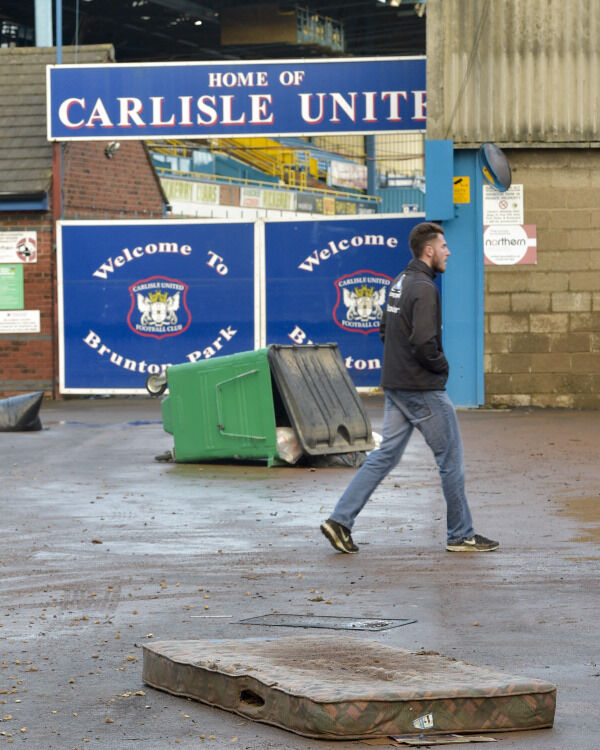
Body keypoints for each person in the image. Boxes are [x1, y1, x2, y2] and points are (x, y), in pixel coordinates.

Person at [320, 221, 499, 554]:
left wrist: (403, 367)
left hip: (396, 385)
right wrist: (441, 368)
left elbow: (385, 330)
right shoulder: (425, 288)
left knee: (383, 456)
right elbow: (423, 342)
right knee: (451, 460)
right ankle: (461, 534)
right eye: (444, 246)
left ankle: (339, 520)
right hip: (422, 388)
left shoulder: (400, 282)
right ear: (429, 250)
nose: (449, 251)